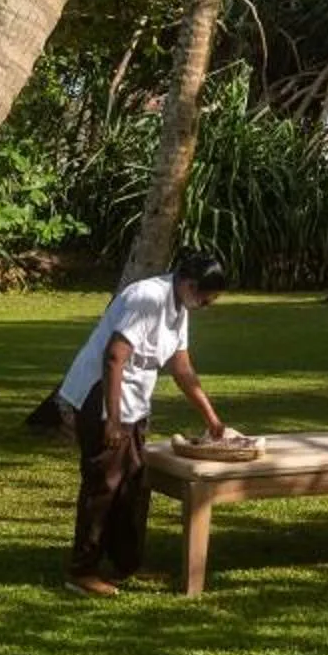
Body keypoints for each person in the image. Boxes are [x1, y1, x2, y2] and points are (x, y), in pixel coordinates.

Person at [59, 248, 229, 597]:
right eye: (205, 299)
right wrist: (112, 420)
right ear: (189, 284)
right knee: (104, 485)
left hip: (133, 402)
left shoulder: (179, 305)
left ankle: (125, 563)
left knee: (133, 482)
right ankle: (82, 570)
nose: (205, 306)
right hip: (101, 397)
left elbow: (181, 367)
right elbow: (113, 357)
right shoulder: (146, 297)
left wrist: (211, 418)